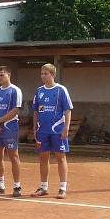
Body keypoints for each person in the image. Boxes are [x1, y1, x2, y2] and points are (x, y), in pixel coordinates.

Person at [31, 63, 73, 199]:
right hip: (43, 131)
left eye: (46, 73)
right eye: (42, 73)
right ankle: (43, 187)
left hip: (58, 130)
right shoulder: (39, 91)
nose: (43, 76)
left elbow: (67, 110)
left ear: (53, 75)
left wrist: (66, 128)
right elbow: (36, 111)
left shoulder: (61, 90)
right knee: (43, 157)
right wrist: (34, 128)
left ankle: (62, 188)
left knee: (61, 157)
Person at [0, 65, 23, 197]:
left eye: (2, 75)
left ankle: (17, 186)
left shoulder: (15, 91)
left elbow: (15, 110)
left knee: (13, 156)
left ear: (9, 75)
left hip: (9, 128)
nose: (0, 78)